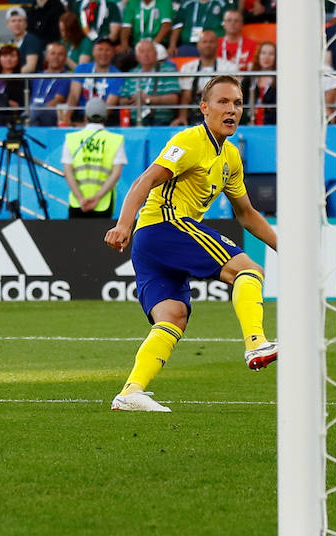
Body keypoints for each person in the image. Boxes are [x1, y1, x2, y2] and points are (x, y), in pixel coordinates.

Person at [105, 74, 278, 413]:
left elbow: (246, 214)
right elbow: (146, 180)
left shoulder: (230, 157)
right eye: (223, 102)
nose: (232, 110)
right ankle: (256, 343)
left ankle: (130, 392)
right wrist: (123, 223)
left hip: (153, 241)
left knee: (173, 315)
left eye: (238, 104)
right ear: (204, 108)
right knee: (247, 269)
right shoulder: (189, 141)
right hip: (165, 225)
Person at [61, 98, 126, 218]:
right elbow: (116, 174)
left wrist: (80, 198)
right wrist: (97, 198)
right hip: (103, 203)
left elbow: (68, 173)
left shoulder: (71, 139)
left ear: (85, 116)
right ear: (105, 116)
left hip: (77, 203)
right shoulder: (115, 140)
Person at [174, 30, 239, 126]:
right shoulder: (187, 68)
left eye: (211, 42)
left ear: (217, 45)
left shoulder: (229, 67)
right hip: (195, 113)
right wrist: (182, 117)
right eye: (204, 42)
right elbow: (186, 96)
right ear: (198, 45)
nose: (208, 45)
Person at [119, 39, 181, 126]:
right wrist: (132, 99)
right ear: (137, 56)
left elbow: (174, 99)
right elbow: (121, 100)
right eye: (142, 52)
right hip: (133, 122)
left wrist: (149, 100)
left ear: (156, 54)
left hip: (161, 122)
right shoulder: (132, 73)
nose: (146, 55)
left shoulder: (168, 70)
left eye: (149, 51)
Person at [63, 37, 124, 125]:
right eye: (100, 49)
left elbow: (110, 105)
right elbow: (74, 95)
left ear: (113, 53)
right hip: (81, 115)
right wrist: (67, 117)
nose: (103, 53)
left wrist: (90, 125)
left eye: (107, 50)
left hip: (104, 119)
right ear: (93, 52)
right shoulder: (82, 69)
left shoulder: (118, 75)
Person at [29, 42, 72, 127]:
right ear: (46, 56)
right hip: (33, 111)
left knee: (35, 110)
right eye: (53, 53)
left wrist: (39, 109)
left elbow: (58, 100)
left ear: (65, 58)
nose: (56, 57)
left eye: (60, 54)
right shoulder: (37, 76)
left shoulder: (66, 77)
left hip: (52, 113)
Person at [244, 41, 277, 125]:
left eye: (271, 54)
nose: (267, 57)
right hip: (249, 125)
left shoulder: (280, 81)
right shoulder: (249, 79)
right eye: (263, 53)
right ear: (258, 56)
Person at [6, 6, 44, 74]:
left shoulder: (31, 39)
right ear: (8, 25)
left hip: (30, 82)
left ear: (26, 24)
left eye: (20, 20)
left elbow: (30, 67)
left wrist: (9, 75)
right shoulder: (10, 42)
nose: (16, 24)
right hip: (17, 82)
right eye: (13, 21)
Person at [0, 44, 24, 127]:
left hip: (6, 116)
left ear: (18, 59)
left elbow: (16, 106)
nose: (8, 59)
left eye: (12, 56)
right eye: (5, 56)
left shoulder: (22, 80)